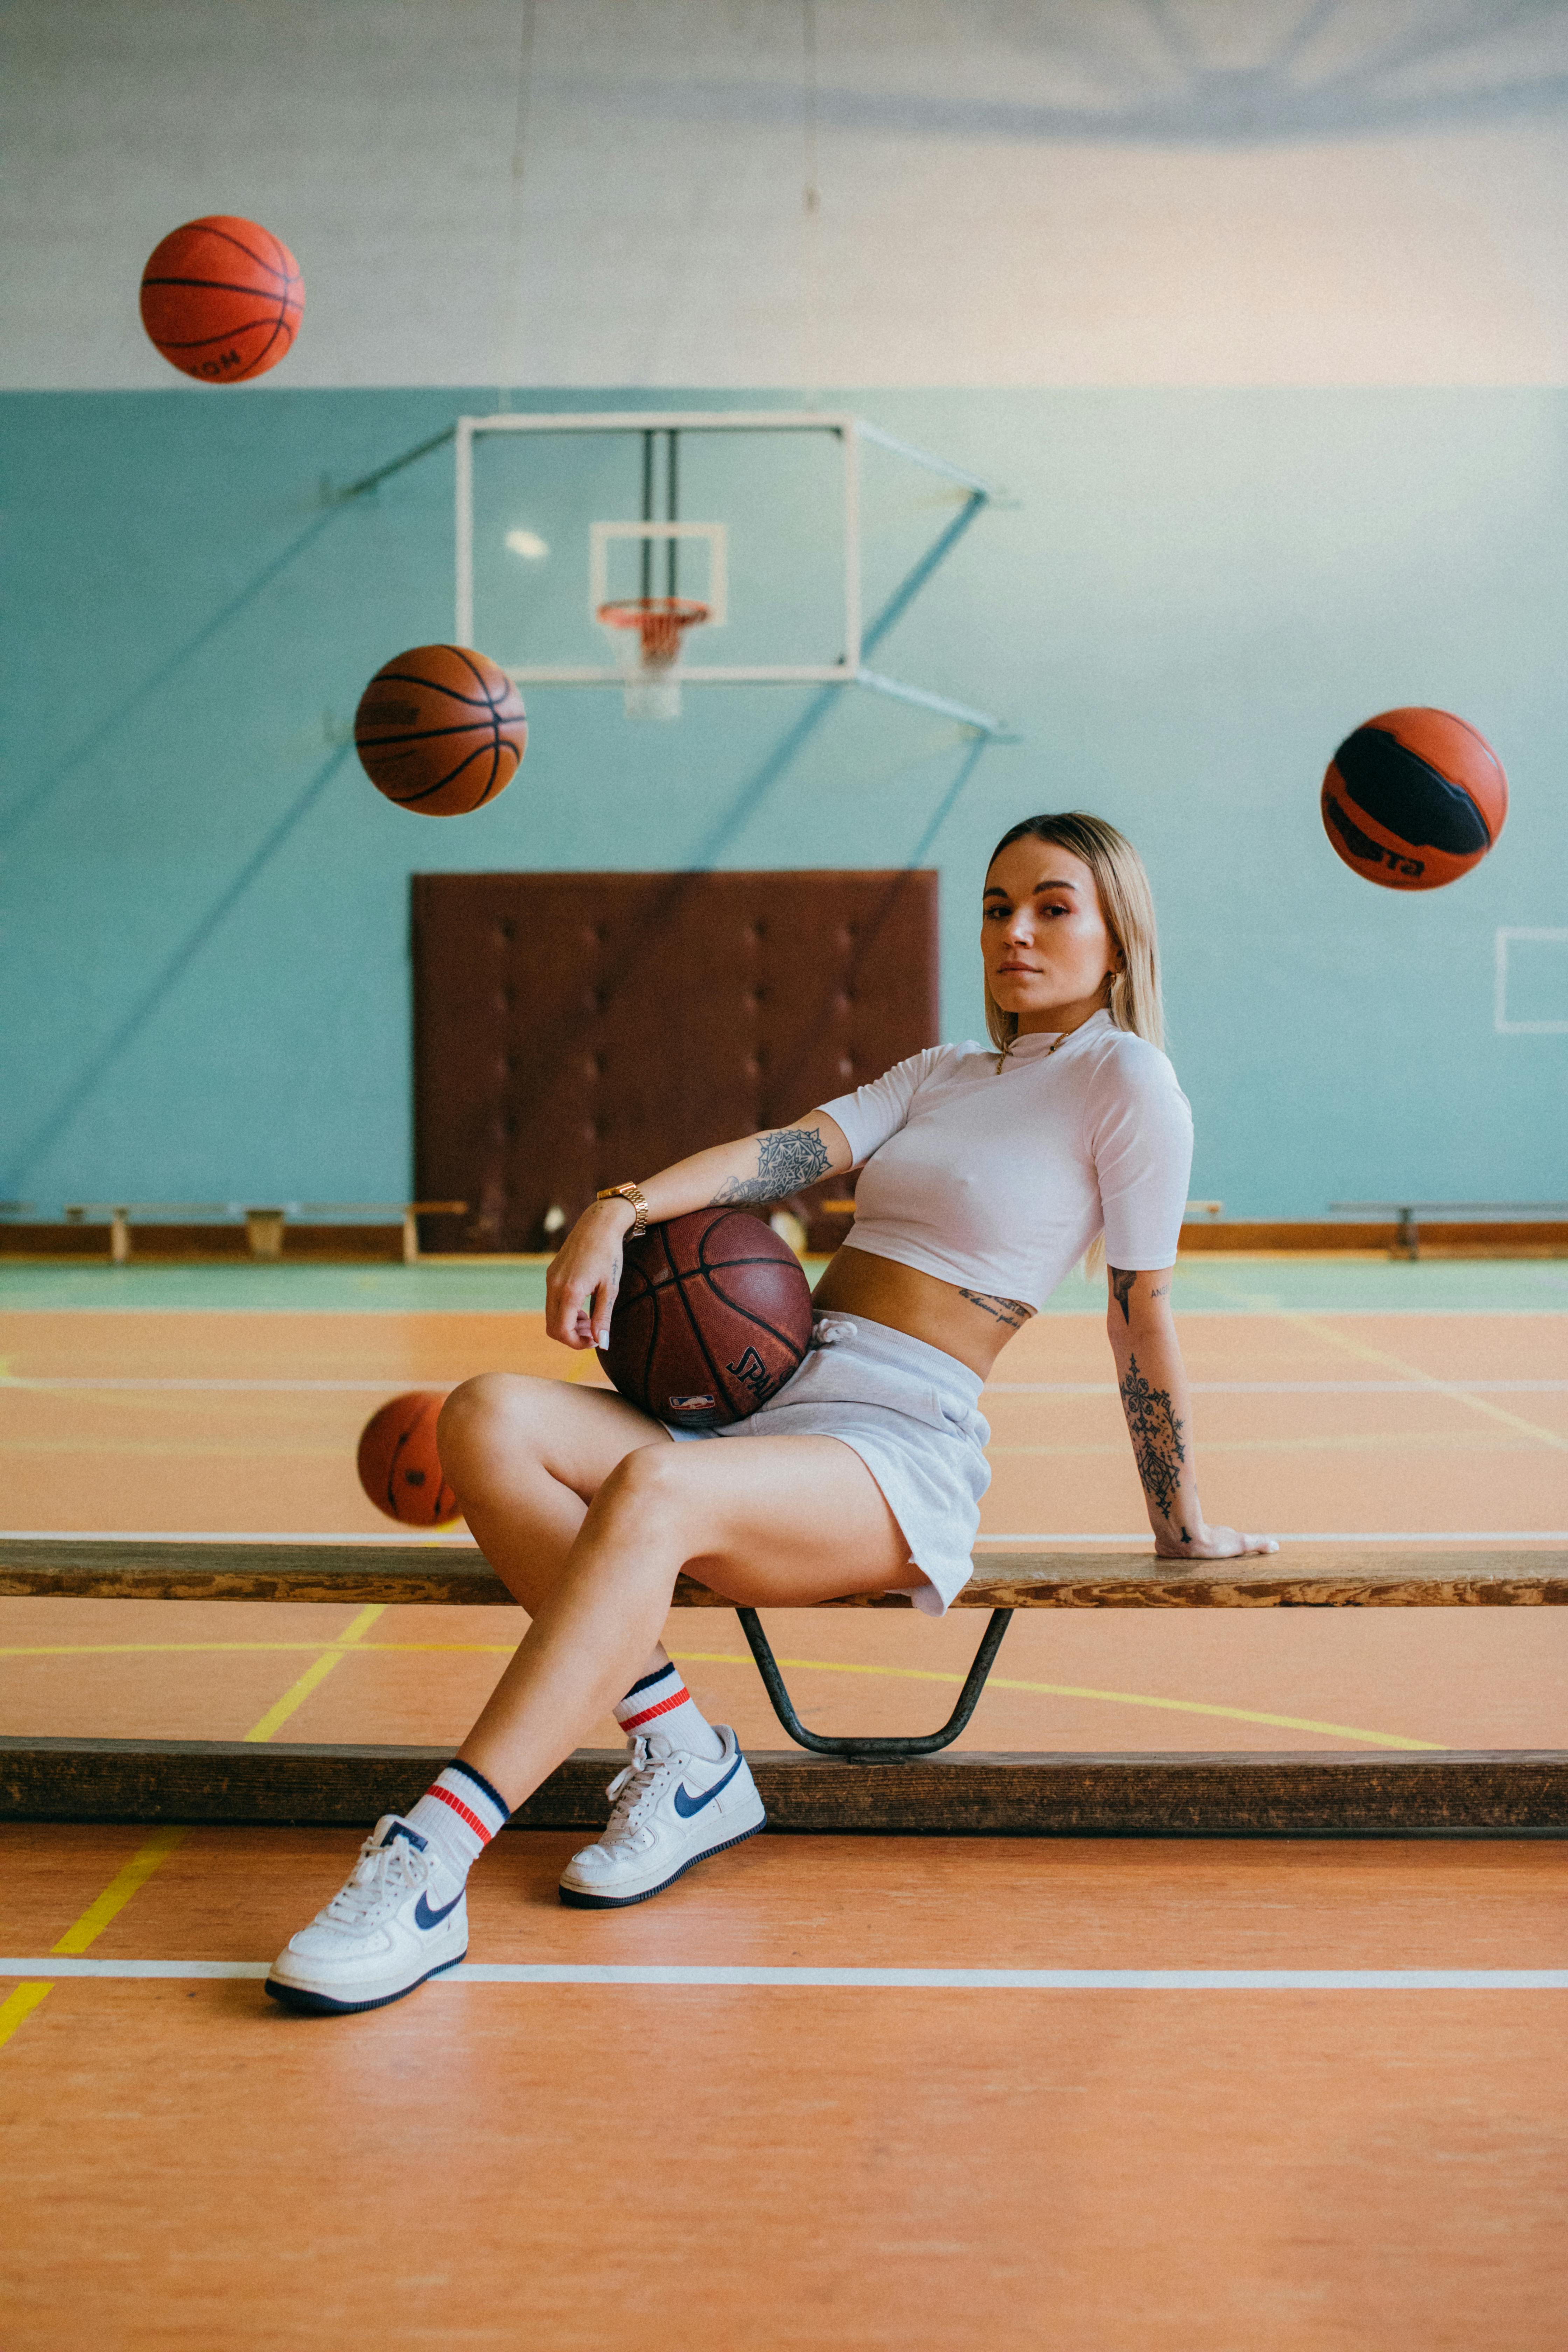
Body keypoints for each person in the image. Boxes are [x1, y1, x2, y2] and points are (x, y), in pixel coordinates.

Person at [267, 811, 1276, 2013]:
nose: (1016, 931)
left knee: (654, 1488)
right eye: (999, 905)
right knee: (485, 1414)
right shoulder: (946, 1073)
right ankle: (687, 1757)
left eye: (1053, 906)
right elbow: (787, 1156)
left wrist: (1181, 1517)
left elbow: (1140, 1312)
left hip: (892, 1452)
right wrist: (619, 1207)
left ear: (1117, 935)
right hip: (768, 1411)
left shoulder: (1128, 1080)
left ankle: (430, 1863)